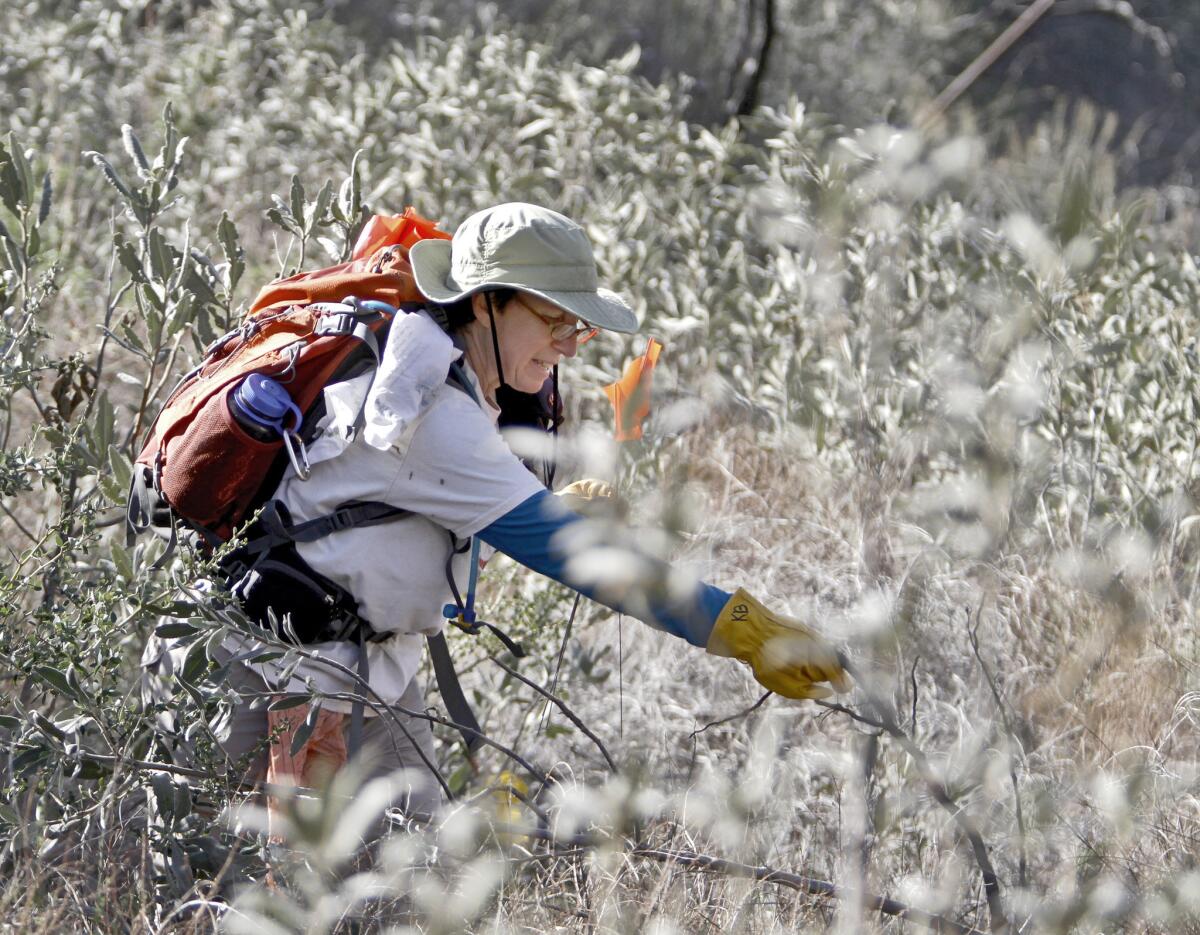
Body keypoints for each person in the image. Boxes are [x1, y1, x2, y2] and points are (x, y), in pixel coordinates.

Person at [188, 203, 850, 816]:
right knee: (254, 886)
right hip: (274, 668)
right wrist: (738, 626)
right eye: (551, 317)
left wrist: (543, 506)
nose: (568, 342)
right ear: (483, 304)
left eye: (577, 323)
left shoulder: (445, 370)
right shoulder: (433, 412)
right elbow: (572, 556)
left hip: (367, 667)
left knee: (411, 882)